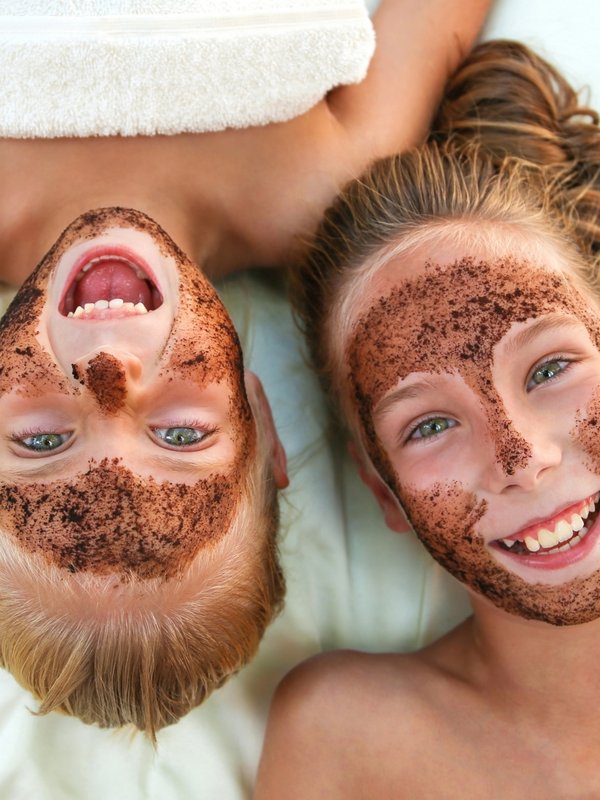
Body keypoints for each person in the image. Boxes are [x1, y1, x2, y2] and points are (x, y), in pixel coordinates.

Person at [0, 1, 491, 739]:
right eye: (178, 432)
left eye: (42, 442)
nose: (109, 372)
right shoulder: (322, 185)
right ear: (260, 420)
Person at [254, 40, 600, 797]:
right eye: (430, 425)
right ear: (384, 491)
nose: (524, 455)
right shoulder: (345, 742)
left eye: (549, 369)